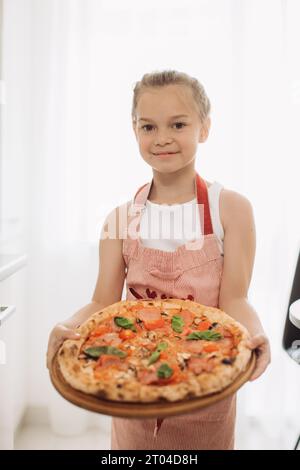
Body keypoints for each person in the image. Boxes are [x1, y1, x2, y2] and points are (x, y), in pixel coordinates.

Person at [47, 70, 271, 450]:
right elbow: (103, 303)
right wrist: (66, 325)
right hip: (129, 387)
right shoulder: (118, 219)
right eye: (148, 126)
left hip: (206, 392)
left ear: (205, 128)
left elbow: (235, 300)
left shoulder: (231, 209)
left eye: (178, 124)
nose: (162, 138)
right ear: (133, 130)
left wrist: (256, 334)